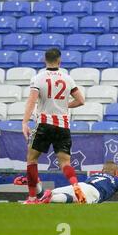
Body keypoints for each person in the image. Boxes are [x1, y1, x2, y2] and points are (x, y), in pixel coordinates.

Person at [21, 48, 85, 204]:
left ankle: (32, 198)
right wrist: (64, 105)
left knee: (31, 160)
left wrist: (24, 122)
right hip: (62, 125)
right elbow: (81, 100)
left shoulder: (38, 78)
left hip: (44, 123)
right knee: (65, 163)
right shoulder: (67, 78)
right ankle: (76, 187)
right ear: (59, 61)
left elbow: (32, 100)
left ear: (44, 60)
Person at [36, 161, 118, 204]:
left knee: (52, 192)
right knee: (77, 200)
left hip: (82, 184)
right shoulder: (117, 180)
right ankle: (49, 198)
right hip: (94, 192)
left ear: (102, 170)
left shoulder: (95, 175)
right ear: (115, 172)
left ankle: (38, 187)